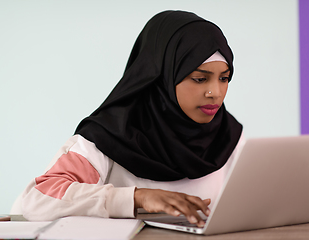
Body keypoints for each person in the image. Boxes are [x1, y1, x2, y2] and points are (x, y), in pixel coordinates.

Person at [21, 10, 243, 227]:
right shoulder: (107, 137)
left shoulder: (228, 136)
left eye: (224, 78)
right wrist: (137, 198)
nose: (215, 92)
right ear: (162, 76)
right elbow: (37, 200)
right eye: (199, 79)